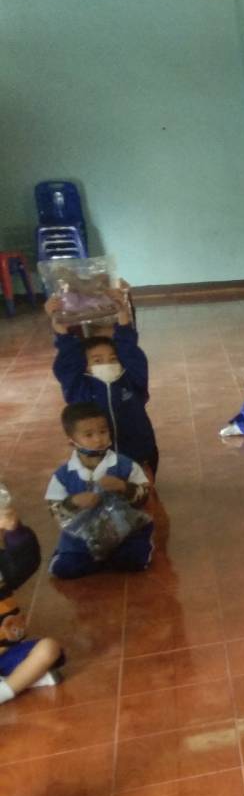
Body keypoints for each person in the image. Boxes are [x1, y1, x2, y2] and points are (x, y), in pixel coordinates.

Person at [50, 281, 158, 476]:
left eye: (113, 359)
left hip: (139, 452)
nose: (106, 363)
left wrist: (123, 314)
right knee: (105, 490)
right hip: (97, 461)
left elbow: (130, 352)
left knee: (140, 490)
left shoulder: (131, 381)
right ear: (84, 366)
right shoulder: (79, 389)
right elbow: (67, 365)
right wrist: (61, 331)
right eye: (97, 360)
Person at [45, 402, 154, 578]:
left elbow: (145, 497)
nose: (98, 439)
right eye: (89, 435)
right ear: (71, 439)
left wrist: (124, 487)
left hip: (124, 532)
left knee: (134, 560)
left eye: (103, 431)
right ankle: (84, 556)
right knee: (65, 569)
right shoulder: (63, 475)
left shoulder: (125, 465)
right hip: (83, 538)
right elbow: (55, 510)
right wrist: (73, 502)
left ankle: (108, 558)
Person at [0, 507, 64, 705]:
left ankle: (5, 689)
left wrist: (14, 531)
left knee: (49, 648)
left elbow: (24, 563)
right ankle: (23, 680)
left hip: (6, 654)